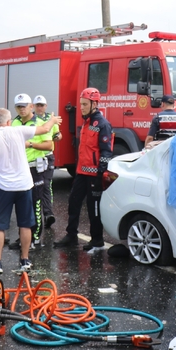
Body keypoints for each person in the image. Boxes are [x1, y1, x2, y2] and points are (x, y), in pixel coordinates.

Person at [0, 108, 61, 274]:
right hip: (24, 185)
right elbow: (44, 129)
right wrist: (53, 120)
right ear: (9, 121)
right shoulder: (19, 130)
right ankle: (25, 260)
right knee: (25, 224)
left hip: (4, 187)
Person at [54, 88, 113, 252]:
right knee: (73, 202)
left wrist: (100, 173)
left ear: (95, 104)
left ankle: (97, 240)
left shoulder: (103, 124)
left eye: (85, 104)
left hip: (94, 175)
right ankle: (71, 235)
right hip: (82, 173)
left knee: (93, 207)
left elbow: (106, 151)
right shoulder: (86, 122)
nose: (82, 107)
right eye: (81, 104)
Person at [9, 94, 54, 250]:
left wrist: (31, 144)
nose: (22, 109)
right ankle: (23, 238)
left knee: (36, 203)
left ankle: (35, 238)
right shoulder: (13, 123)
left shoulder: (40, 123)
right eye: (19, 106)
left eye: (24, 106)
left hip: (35, 168)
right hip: (19, 168)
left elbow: (50, 145)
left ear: (31, 106)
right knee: (21, 204)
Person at [33, 95, 61, 228]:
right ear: (33, 106)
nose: (39, 107)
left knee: (47, 185)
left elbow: (57, 134)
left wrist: (58, 136)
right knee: (36, 186)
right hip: (35, 156)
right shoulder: (31, 119)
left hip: (48, 156)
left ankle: (48, 214)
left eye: (41, 105)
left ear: (46, 106)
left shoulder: (51, 118)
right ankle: (35, 216)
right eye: (37, 105)